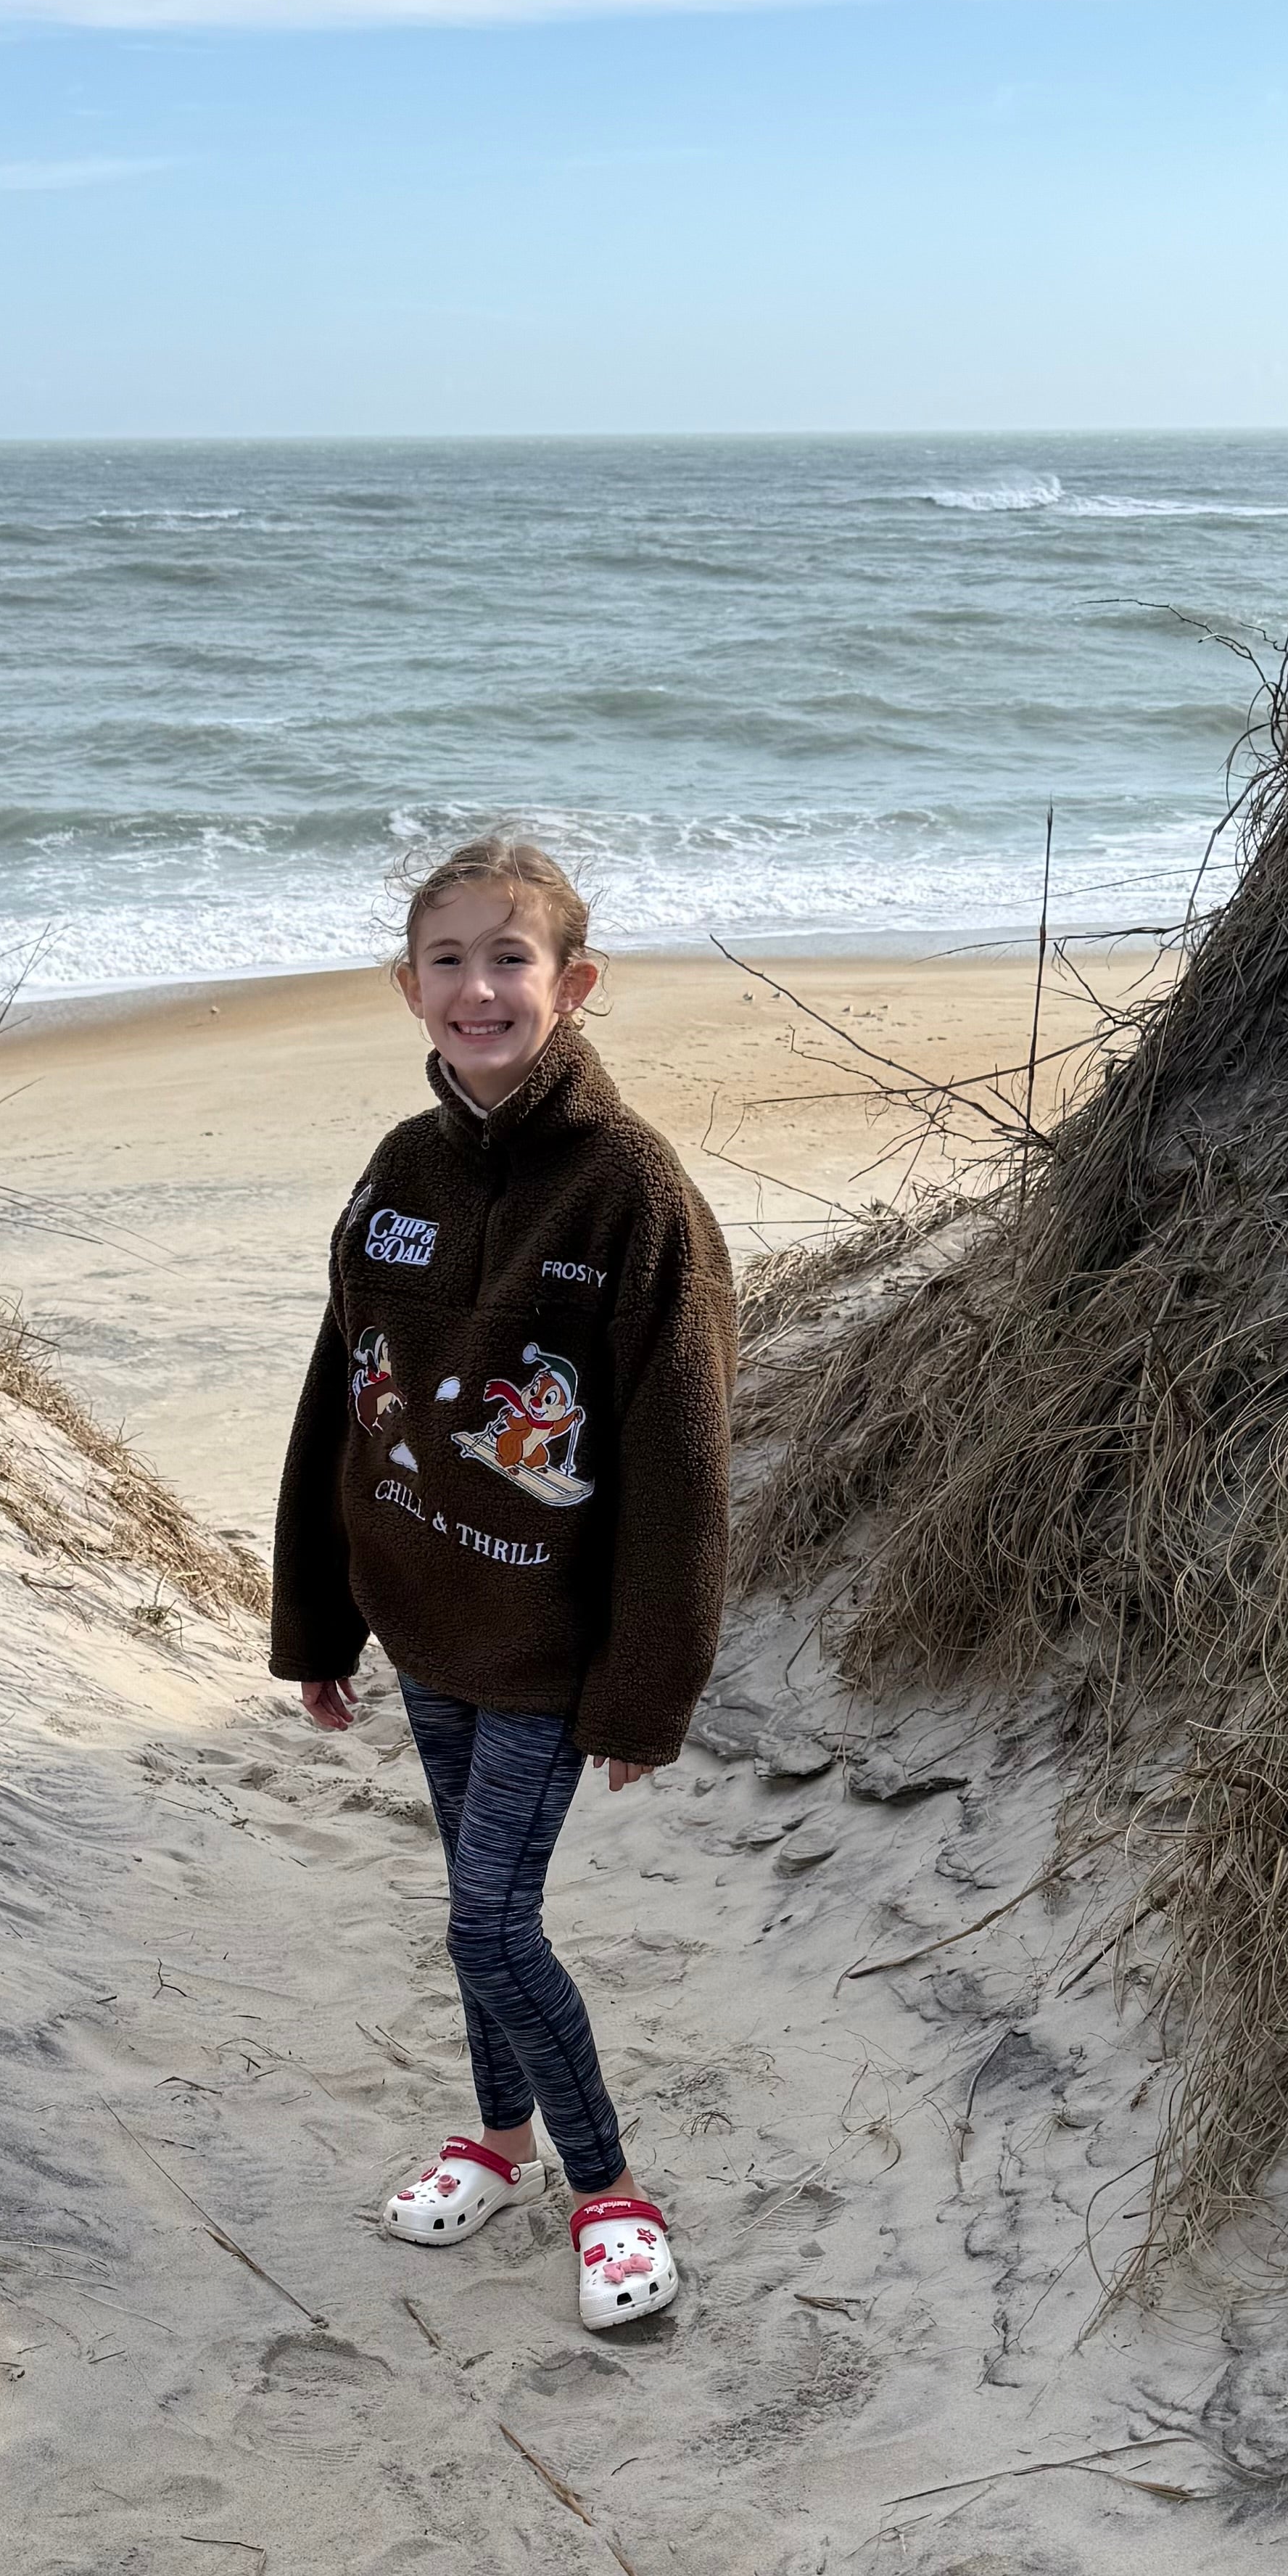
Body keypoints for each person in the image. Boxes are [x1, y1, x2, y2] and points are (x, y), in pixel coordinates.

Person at [270, 836, 735, 2329]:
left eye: (510, 957)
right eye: (450, 959)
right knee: (472, 1908)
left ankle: (608, 2194)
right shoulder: (396, 1176)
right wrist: (316, 1618)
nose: (480, 987)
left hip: (550, 1641)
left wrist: (642, 1688)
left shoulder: (629, 1192)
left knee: (487, 1925)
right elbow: (341, 1397)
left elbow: (680, 1467)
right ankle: (496, 2138)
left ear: (573, 984)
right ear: (407, 987)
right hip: (425, 1625)